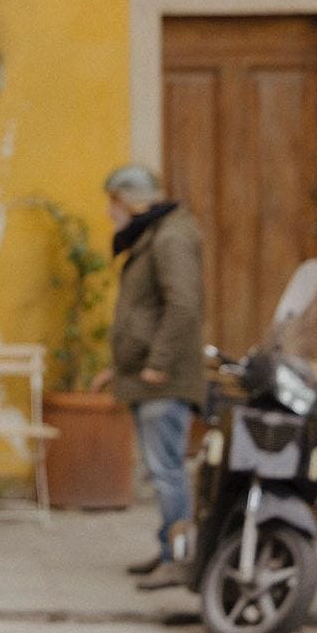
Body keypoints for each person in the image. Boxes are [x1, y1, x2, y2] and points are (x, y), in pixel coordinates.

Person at [92, 165, 206, 589]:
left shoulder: (171, 237)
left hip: (166, 379)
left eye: (113, 202)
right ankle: (167, 549)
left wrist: (157, 363)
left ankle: (179, 560)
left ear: (133, 200)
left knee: (167, 470)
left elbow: (183, 305)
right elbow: (148, 313)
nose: (109, 212)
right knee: (162, 469)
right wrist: (118, 370)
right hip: (149, 375)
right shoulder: (156, 234)